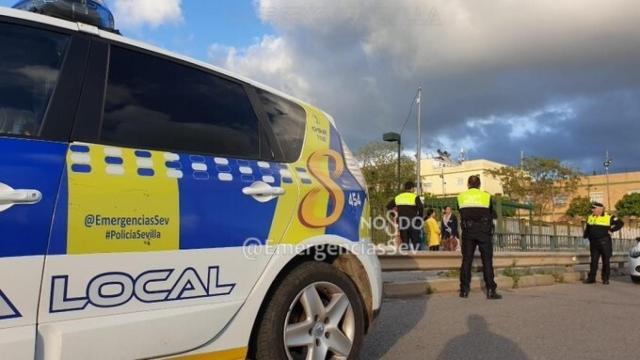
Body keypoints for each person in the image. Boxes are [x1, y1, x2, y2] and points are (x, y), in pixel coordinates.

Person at [457, 175, 501, 300]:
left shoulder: (461, 197)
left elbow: (461, 213)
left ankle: (464, 291)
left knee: (466, 261)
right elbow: (492, 213)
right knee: (487, 261)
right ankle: (491, 290)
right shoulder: (486, 196)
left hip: (468, 231)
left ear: (468, 184)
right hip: (483, 231)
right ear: (479, 185)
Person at [582, 202, 624, 285]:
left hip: (604, 242)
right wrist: (585, 236)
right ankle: (591, 278)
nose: (592, 210)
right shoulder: (590, 217)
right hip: (593, 242)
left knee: (606, 261)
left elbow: (620, 223)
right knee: (593, 261)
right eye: (592, 208)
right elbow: (588, 228)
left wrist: (612, 230)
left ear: (600, 209)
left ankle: (605, 279)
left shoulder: (608, 217)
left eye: (594, 208)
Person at [386, 181, 424, 249]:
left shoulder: (398, 197)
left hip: (402, 222)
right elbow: (421, 208)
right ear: (412, 188)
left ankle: (406, 258)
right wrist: (419, 218)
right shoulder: (415, 197)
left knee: (405, 243)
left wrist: (395, 216)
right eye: (414, 188)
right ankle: (418, 258)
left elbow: (388, 206)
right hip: (414, 222)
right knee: (416, 243)